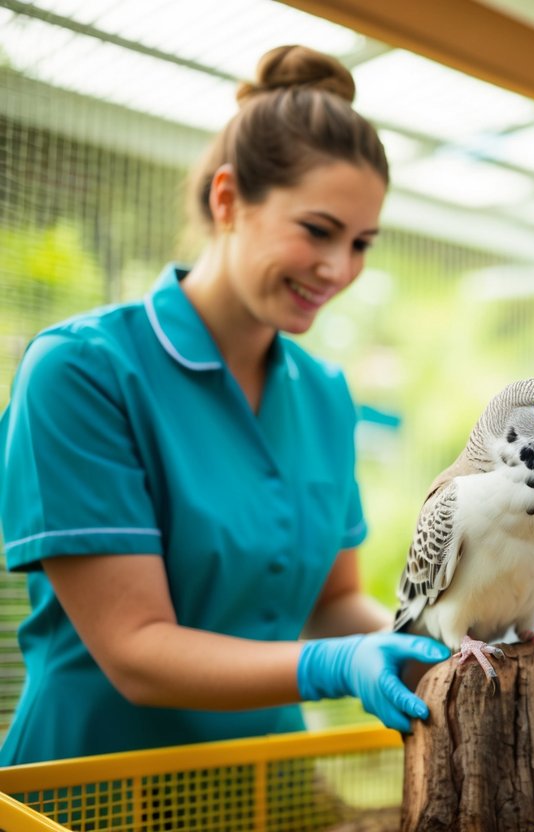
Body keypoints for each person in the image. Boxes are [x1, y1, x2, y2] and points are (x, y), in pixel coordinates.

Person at [0, 45, 456, 764]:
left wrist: (457, 649)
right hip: (92, 788)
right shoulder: (81, 373)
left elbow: (331, 602)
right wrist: (331, 665)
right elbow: (136, 651)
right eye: (317, 230)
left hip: (264, 780)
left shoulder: (326, 397)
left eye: (361, 242)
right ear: (226, 200)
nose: (340, 270)